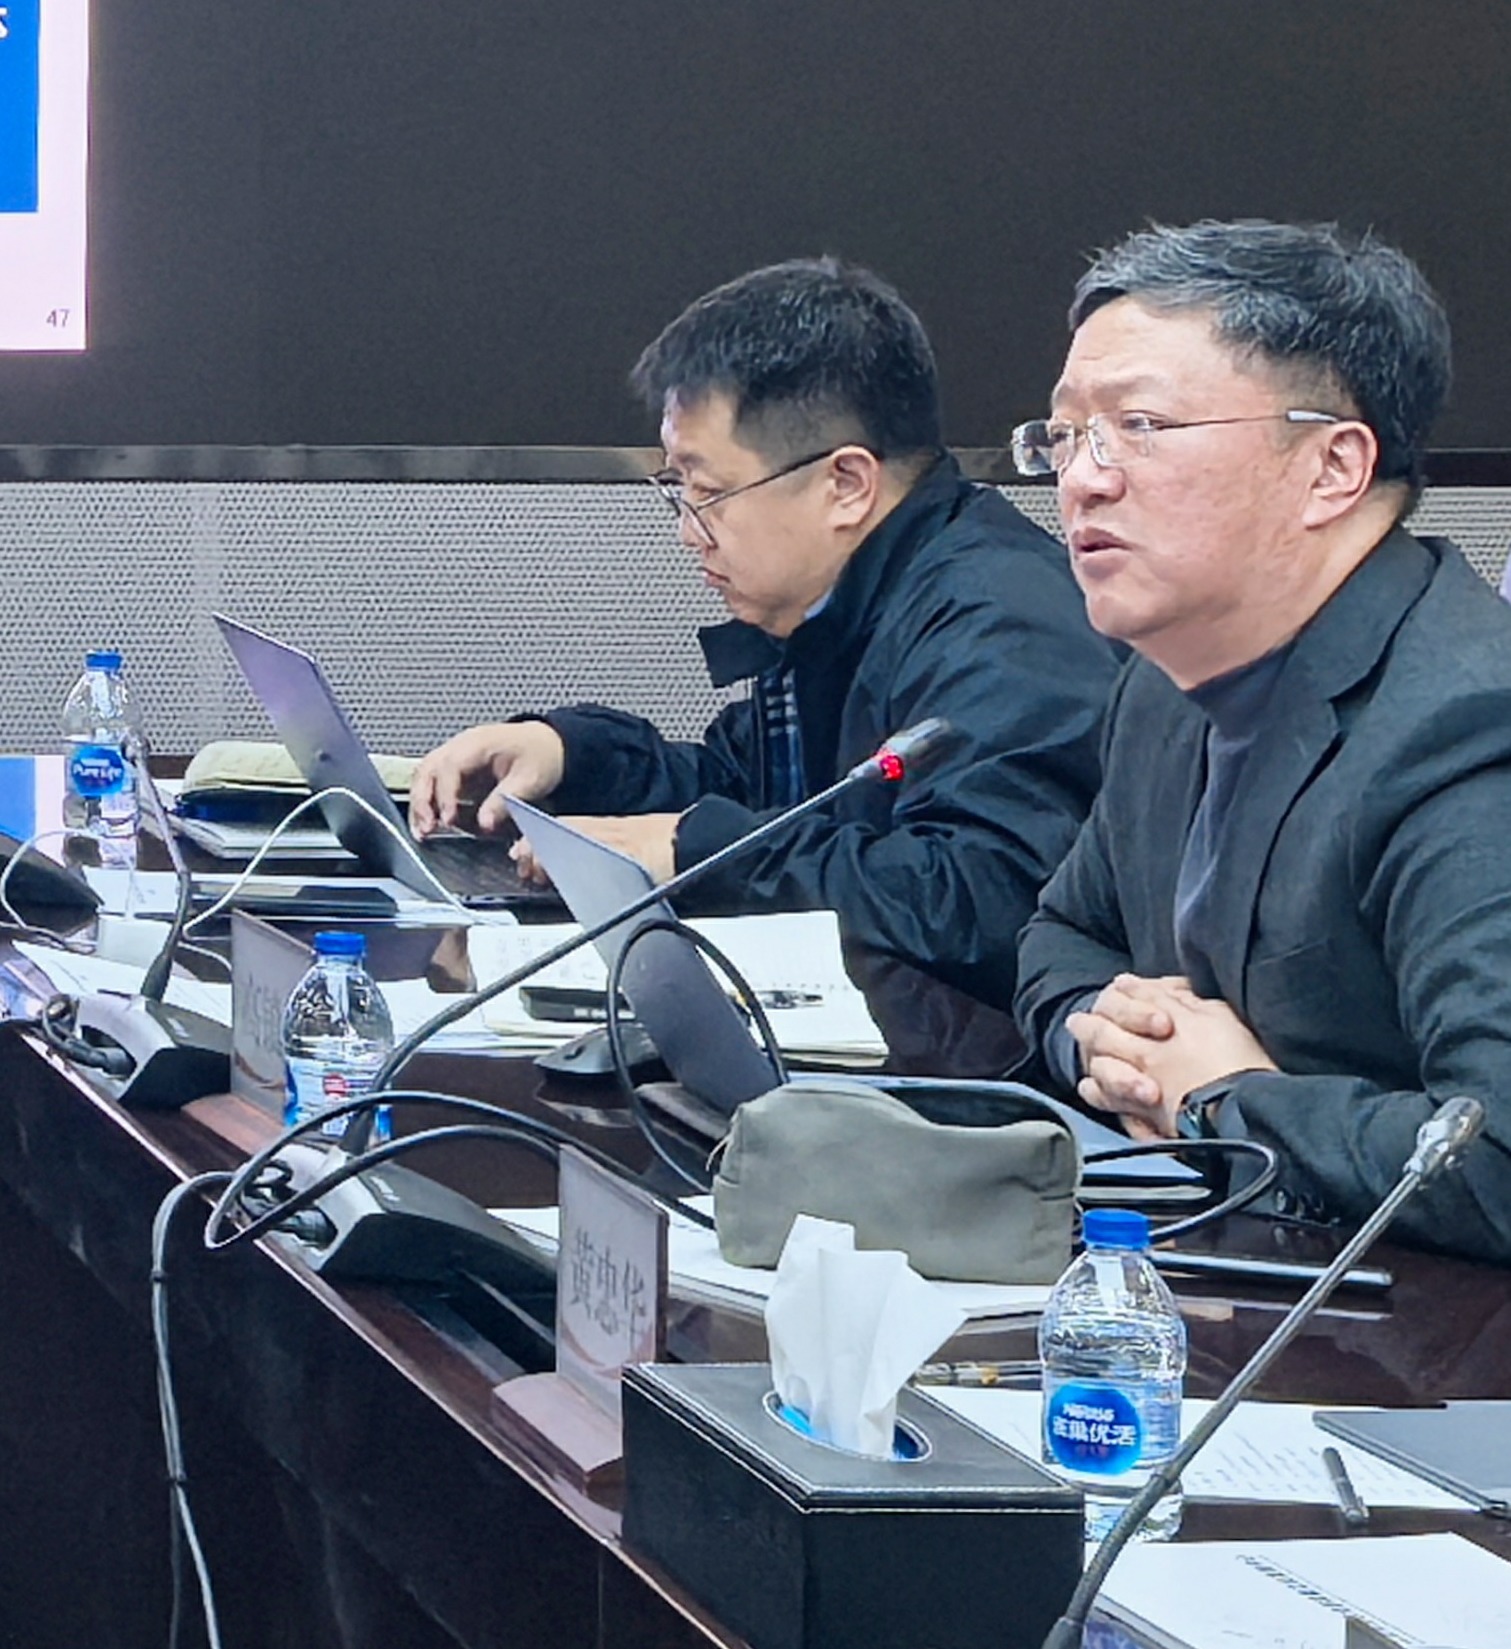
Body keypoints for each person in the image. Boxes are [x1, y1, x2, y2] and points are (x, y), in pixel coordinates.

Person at [407, 258, 1116, 1065]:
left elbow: (980, 902)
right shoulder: (848, 599)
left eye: (706, 493)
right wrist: (570, 754)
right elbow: (751, 789)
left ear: (846, 484)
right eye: (677, 492)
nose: (688, 531)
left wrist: (695, 852)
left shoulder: (1002, 627)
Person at [1016, 221, 1511, 1268]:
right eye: (1066, 435)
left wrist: (1223, 1102)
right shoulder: (1166, 683)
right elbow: (1060, 935)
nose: (1081, 480)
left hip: (1437, 1336)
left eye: (1138, 426)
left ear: (1331, 467)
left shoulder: (1474, 732)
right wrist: (1112, 1043)